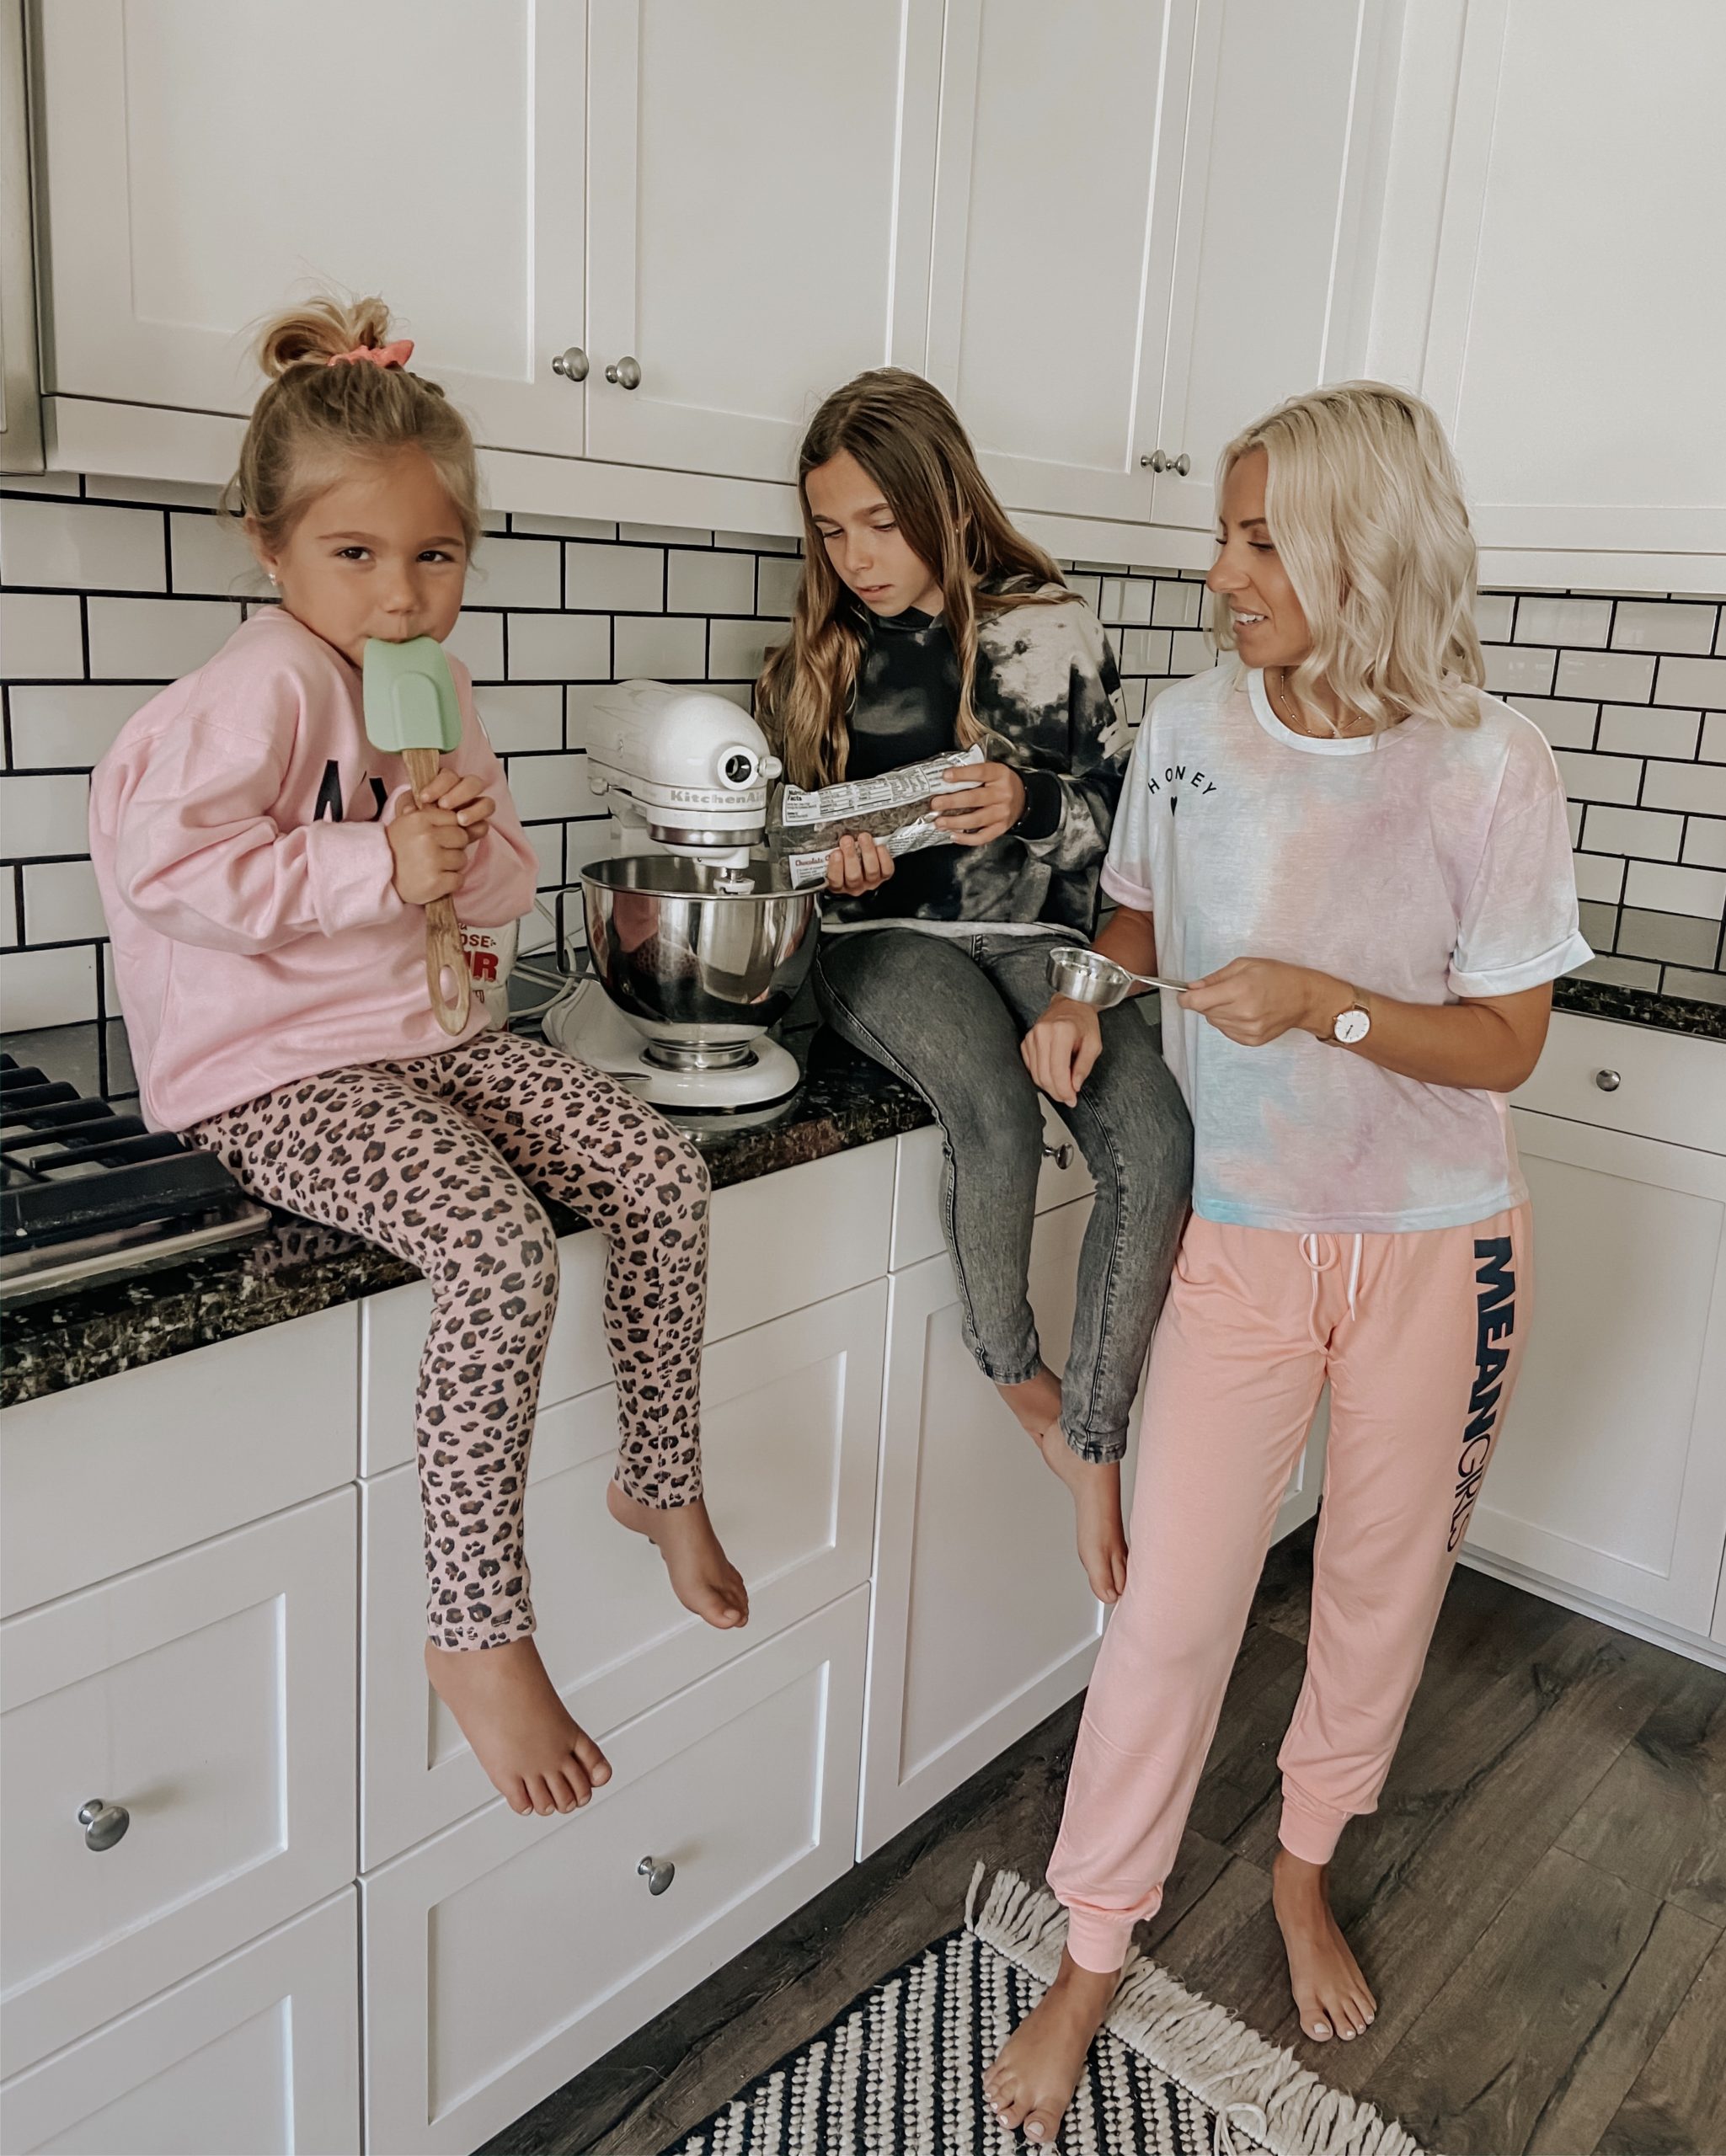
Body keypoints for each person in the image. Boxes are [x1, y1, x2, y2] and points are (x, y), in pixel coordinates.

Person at [985, 381, 1590, 2144]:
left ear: (1357, 548)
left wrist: (1323, 1002)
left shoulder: (1489, 763)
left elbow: (1501, 1047)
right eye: (1226, 528)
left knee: (1374, 1593)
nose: (1216, 566)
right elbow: (1136, 917)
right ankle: (1094, 1937)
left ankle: (1303, 1862)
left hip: (1434, 1253)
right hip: (1238, 1242)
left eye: (1257, 537)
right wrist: (1087, 1006)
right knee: (1167, 1606)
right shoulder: (1186, 724)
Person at [88, 296, 748, 1822]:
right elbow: (165, 872)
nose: (400, 596)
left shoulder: (433, 692)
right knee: (501, 1253)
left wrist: (456, 843)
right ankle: (475, 1631)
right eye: (358, 556)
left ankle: (658, 1476)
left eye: (434, 557)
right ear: (272, 550)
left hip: (428, 1038)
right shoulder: (258, 688)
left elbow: (502, 875)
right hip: (271, 1077)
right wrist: (371, 867)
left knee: (657, 1169)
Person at [757, 370, 1192, 1603]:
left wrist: (1029, 801)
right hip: (888, 945)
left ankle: (1093, 1444)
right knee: (993, 1119)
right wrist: (827, 872)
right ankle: (1021, 1384)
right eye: (830, 530)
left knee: (1156, 1148)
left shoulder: (1048, 629)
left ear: (941, 499)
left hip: (1041, 938)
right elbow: (778, 865)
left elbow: (1131, 832)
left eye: (878, 525)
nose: (855, 558)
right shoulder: (817, 658)